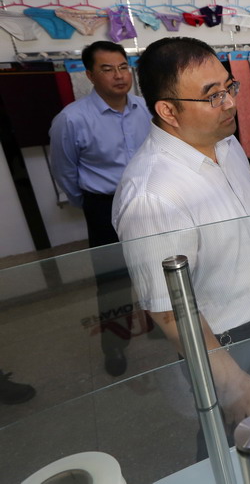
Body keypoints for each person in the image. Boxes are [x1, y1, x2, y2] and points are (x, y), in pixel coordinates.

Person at [112, 37, 250, 449]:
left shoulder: (225, 143)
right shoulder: (153, 195)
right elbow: (169, 311)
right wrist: (227, 376)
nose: (230, 103)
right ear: (168, 111)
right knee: (230, 438)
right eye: (213, 96)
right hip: (225, 339)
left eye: (229, 87)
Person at [48, 40, 152, 377]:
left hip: (148, 200)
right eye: (107, 69)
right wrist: (89, 204)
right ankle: (116, 345)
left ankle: (160, 324)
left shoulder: (146, 108)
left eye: (123, 67)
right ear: (90, 75)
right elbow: (64, 170)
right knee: (112, 279)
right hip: (104, 205)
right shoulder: (71, 119)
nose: (119, 76)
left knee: (156, 264)